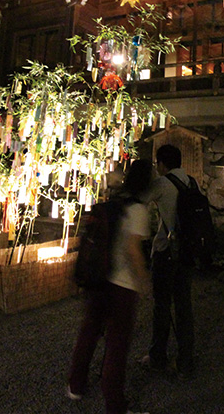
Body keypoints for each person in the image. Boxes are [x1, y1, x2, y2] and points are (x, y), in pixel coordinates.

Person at [67, 159, 153, 414]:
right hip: (121, 286)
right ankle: (115, 403)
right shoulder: (138, 209)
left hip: (98, 279)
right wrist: (143, 282)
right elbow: (133, 250)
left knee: (89, 332)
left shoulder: (115, 202)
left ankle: (75, 385)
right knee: (117, 343)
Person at [140, 144, 195, 379]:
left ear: (162, 163)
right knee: (183, 306)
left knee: (161, 306)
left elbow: (139, 200)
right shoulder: (191, 182)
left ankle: (157, 357)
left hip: (165, 251)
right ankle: (185, 359)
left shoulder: (163, 183)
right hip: (186, 252)